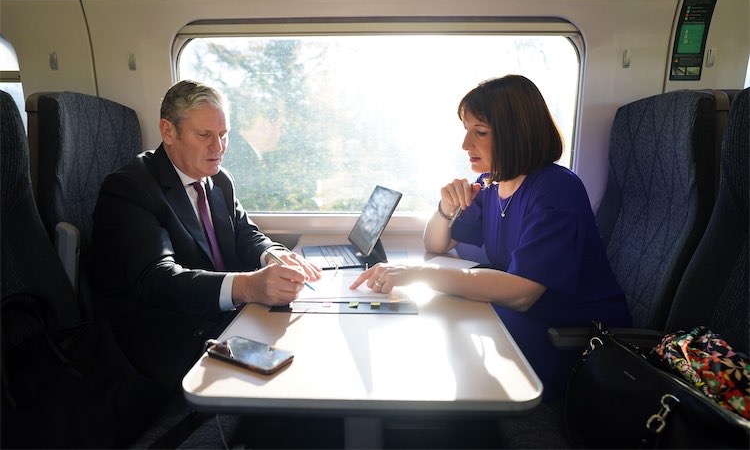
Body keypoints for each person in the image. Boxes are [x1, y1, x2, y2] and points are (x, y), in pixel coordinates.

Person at [351, 75, 632, 401]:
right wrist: (446, 207)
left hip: (571, 339)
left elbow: (522, 293)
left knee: (434, 343)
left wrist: (420, 275)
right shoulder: (492, 183)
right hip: (523, 319)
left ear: (517, 135)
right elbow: (437, 244)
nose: (466, 144)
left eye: (480, 132)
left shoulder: (556, 192)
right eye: (466, 129)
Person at [91, 80, 321, 393]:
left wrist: (275, 255)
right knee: (292, 381)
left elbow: (244, 232)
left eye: (223, 134)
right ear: (168, 131)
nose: (219, 147)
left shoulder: (219, 181)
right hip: (165, 334)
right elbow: (158, 279)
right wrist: (248, 286)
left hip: (219, 319)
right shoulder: (131, 188)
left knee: (304, 345)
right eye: (205, 135)